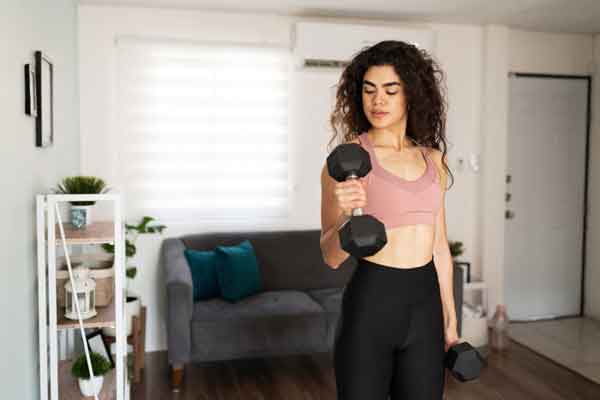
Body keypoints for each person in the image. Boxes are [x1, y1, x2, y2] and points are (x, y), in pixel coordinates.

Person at [320, 40, 458, 400]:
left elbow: (440, 246)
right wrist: (348, 218)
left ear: (411, 93)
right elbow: (331, 256)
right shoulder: (349, 160)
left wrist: (450, 312)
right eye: (368, 91)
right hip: (372, 303)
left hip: (424, 304)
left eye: (389, 90)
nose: (377, 100)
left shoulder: (434, 161)